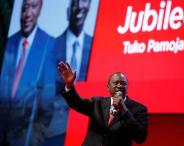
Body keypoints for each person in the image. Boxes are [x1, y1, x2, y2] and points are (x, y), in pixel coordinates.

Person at [0, 0, 54, 146]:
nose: (27, 13)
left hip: (25, 138)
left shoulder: (49, 44)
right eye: (24, 8)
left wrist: (33, 139)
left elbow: (47, 105)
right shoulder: (10, 42)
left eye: (33, 7)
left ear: (40, 9)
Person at [57, 61, 148, 146]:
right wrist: (69, 85)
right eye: (116, 83)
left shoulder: (139, 109)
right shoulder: (97, 103)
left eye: (123, 83)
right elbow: (77, 103)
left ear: (127, 87)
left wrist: (124, 110)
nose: (119, 85)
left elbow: (140, 137)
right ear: (108, 87)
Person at [43, 0, 95, 145]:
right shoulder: (50, 46)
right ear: (68, 9)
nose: (79, 7)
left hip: (86, 131)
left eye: (84, 1)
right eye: (75, 2)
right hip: (52, 133)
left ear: (90, 5)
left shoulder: (95, 46)